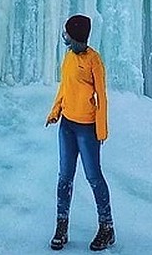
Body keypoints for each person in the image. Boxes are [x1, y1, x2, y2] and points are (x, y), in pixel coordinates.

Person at [45, 14, 115, 251]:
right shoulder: (68, 58)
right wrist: (55, 111)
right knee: (64, 177)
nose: (64, 37)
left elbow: (102, 97)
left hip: (87, 128)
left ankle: (107, 226)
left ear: (77, 37)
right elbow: (64, 87)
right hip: (67, 125)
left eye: (67, 34)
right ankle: (61, 226)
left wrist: (101, 128)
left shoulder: (94, 60)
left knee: (94, 177)